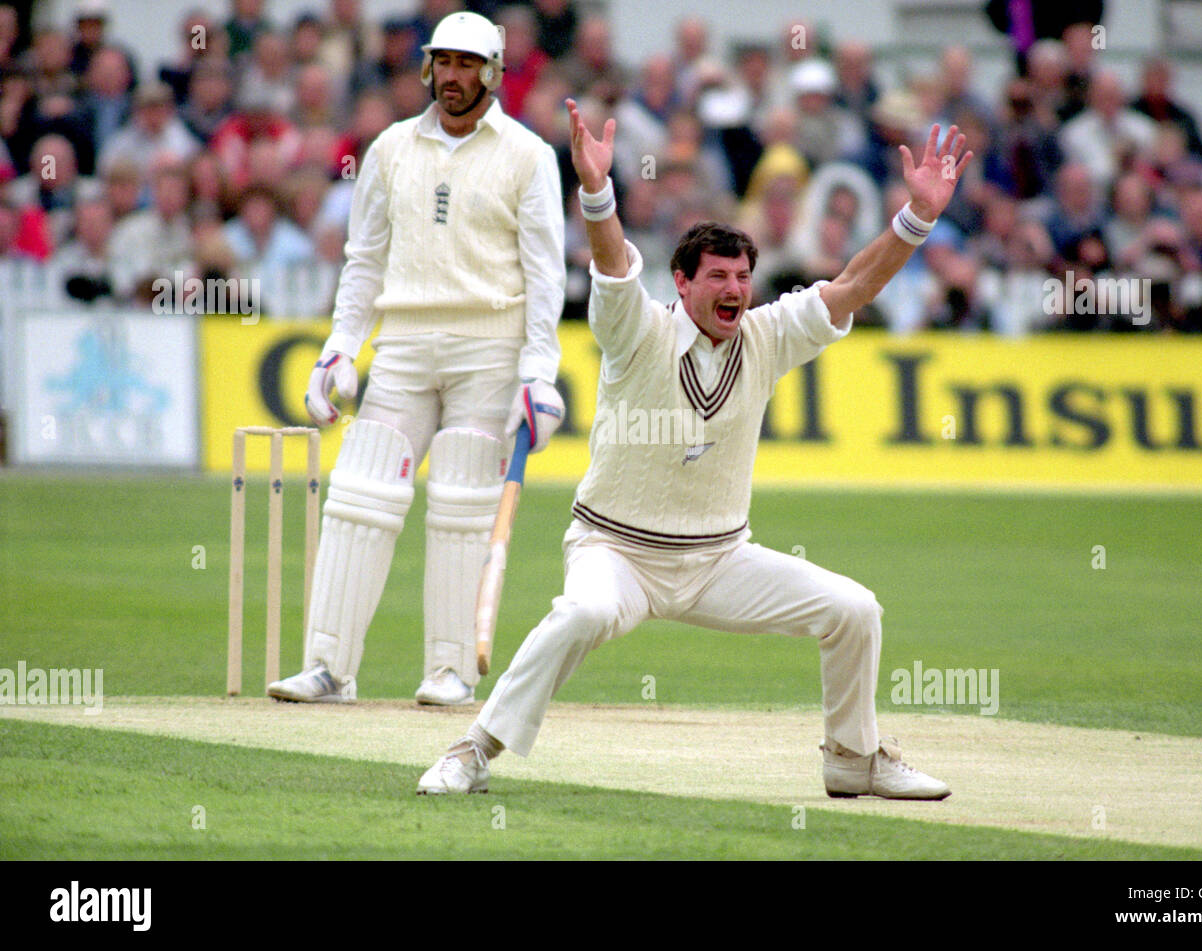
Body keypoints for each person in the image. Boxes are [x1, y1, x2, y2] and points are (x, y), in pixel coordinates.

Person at [417, 99, 973, 799]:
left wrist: (915, 219)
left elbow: (854, 284)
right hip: (615, 551)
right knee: (583, 613)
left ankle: (851, 758)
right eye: (718, 276)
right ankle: (473, 747)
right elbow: (615, 262)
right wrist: (597, 191)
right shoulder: (637, 332)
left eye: (742, 276)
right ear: (682, 283)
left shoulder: (767, 336)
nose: (735, 289)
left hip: (718, 559)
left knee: (855, 608)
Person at [267, 11, 566, 707]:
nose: (454, 78)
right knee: (360, 495)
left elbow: (546, 272)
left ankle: (450, 670)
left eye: (469, 65)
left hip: (488, 346)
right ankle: (329, 667)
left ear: (492, 73)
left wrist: (538, 371)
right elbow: (364, 258)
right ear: (428, 67)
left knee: (463, 504)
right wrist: (341, 346)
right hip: (402, 343)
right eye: (444, 64)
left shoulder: (526, 154)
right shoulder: (390, 148)